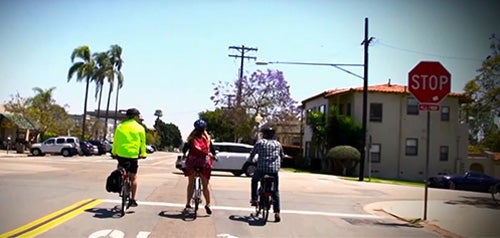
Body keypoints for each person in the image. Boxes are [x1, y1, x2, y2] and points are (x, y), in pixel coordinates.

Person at [111, 108, 147, 207]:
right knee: (133, 177)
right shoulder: (140, 128)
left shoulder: (120, 127)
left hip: (121, 154)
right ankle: (133, 199)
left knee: (121, 170)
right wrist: (143, 154)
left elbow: (115, 141)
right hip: (133, 155)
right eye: (138, 116)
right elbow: (142, 143)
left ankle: (121, 184)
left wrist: (114, 152)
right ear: (135, 116)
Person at [247, 127, 284, 222]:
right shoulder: (278, 144)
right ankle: (277, 213)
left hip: (261, 169)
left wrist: (250, 160)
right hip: (274, 170)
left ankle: (254, 199)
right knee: (275, 190)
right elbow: (282, 155)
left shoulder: (260, 143)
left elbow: (252, 154)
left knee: (254, 180)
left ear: (264, 134)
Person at [182, 119, 216, 214]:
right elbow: (212, 151)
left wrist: (184, 154)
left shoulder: (191, 138)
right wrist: (214, 156)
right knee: (205, 185)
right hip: (204, 163)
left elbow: (184, 149)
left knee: (191, 183)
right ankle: (208, 204)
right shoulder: (208, 139)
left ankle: (188, 203)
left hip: (192, 162)